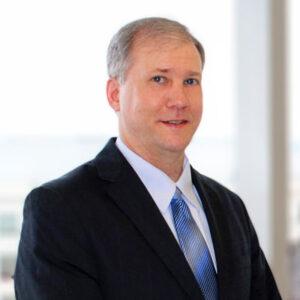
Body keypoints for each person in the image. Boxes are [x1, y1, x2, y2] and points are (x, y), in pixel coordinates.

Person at [14, 17, 281, 299]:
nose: (179, 99)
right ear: (115, 95)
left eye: (191, 81)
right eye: (159, 79)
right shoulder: (61, 210)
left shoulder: (229, 208)